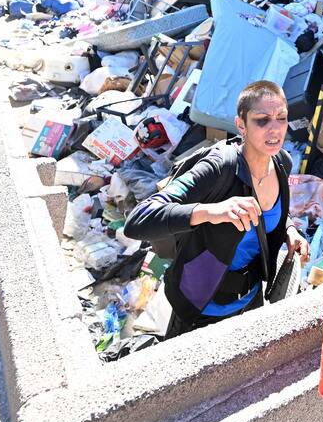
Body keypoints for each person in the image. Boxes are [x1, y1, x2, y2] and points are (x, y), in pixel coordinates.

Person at [124, 81, 309, 336]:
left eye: (282, 118)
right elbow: (139, 219)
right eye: (262, 120)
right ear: (241, 125)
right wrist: (212, 211)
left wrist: (289, 230)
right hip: (200, 309)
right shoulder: (219, 168)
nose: (275, 129)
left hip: (251, 300)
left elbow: (270, 211)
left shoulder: (281, 162)